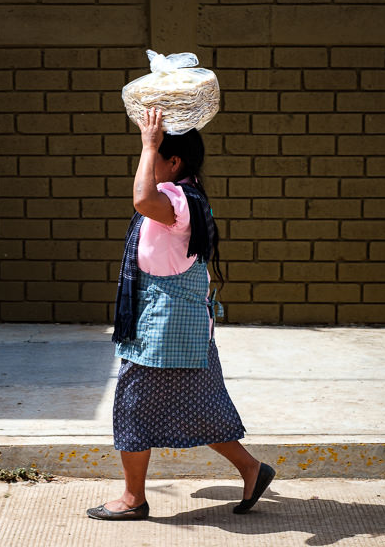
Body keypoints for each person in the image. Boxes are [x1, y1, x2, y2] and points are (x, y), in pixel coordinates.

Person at [86, 108, 275, 520]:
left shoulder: (176, 199)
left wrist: (149, 143)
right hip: (176, 323)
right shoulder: (183, 196)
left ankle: (133, 500)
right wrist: (152, 147)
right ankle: (251, 469)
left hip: (166, 324)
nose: (146, 163)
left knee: (133, 405)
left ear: (174, 162)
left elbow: (141, 198)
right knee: (199, 408)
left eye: (154, 157)